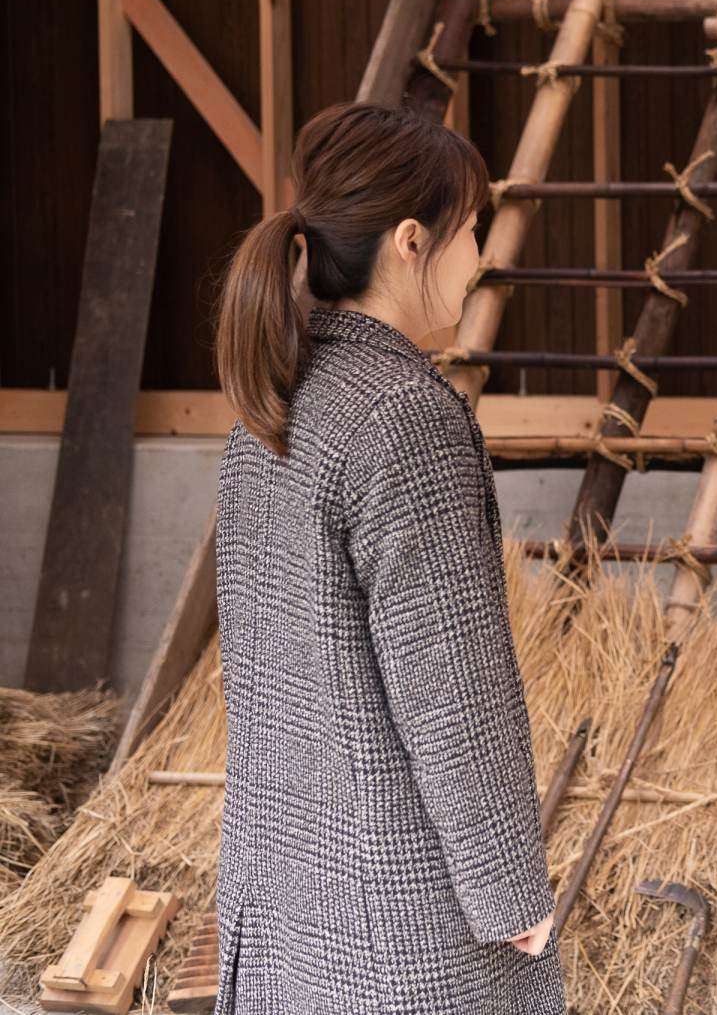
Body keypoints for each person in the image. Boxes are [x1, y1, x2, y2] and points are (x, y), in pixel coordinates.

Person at [211, 103, 562, 1015]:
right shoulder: (404, 418)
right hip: (398, 925)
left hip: (284, 897)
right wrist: (511, 892)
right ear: (413, 240)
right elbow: (453, 686)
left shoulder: (274, 401)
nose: (480, 256)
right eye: (472, 229)